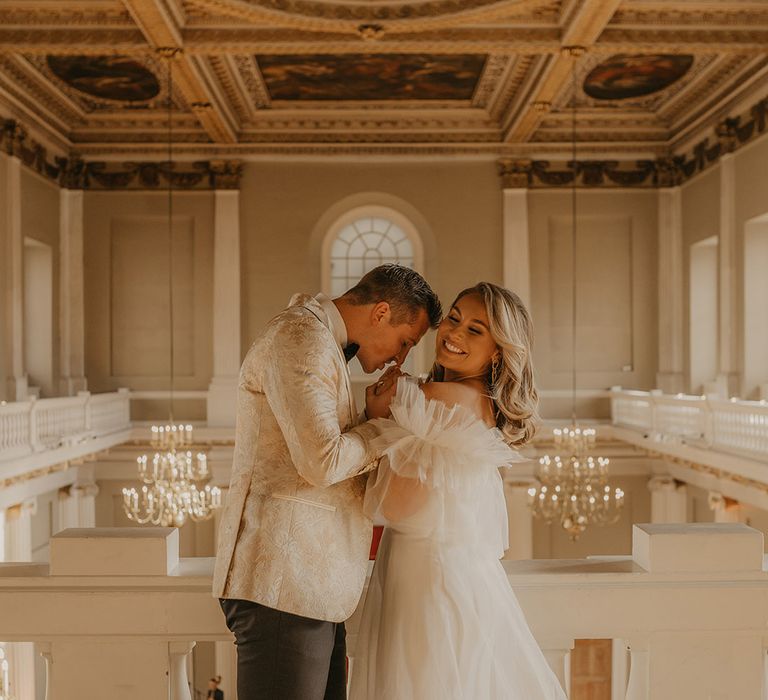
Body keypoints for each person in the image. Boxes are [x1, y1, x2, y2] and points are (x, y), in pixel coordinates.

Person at [213, 264, 442, 700]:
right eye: (406, 341)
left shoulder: (320, 343)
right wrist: (389, 428)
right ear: (380, 313)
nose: (402, 357)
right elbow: (322, 461)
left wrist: (369, 419)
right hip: (282, 586)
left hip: (309, 589)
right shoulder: (299, 338)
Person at [350, 282, 567, 699]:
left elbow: (396, 506)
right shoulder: (480, 401)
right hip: (459, 577)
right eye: (454, 319)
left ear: (499, 350)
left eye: (475, 330)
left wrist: (375, 420)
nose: (454, 334)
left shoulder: (431, 397)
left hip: (427, 584)